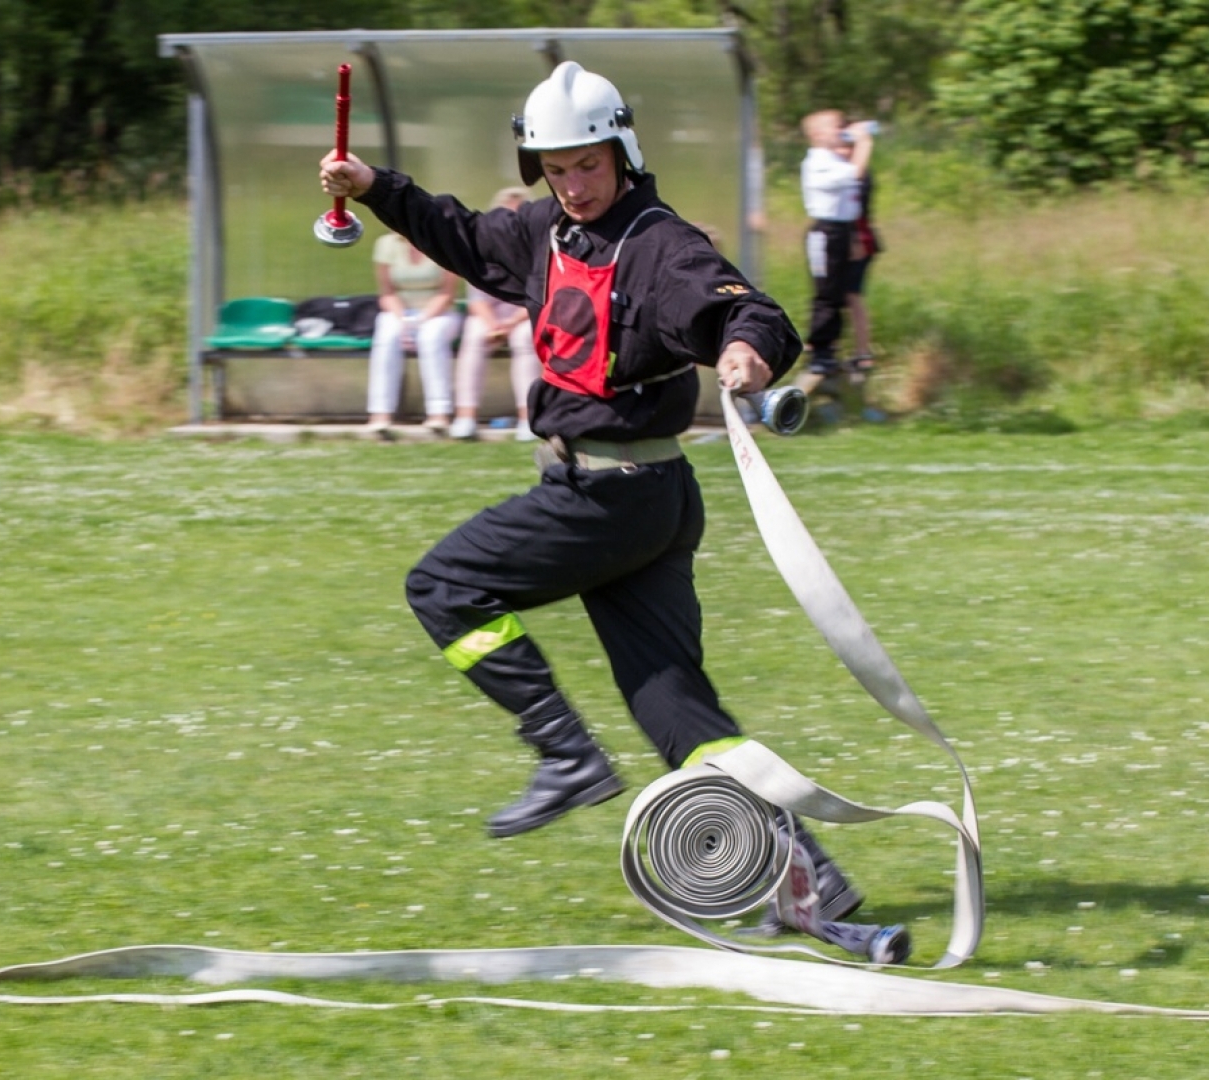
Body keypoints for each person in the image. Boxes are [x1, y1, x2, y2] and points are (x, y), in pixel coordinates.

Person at [319, 61, 865, 926]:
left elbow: (747, 311)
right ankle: (811, 879)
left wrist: (745, 354)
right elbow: (459, 235)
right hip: (648, 500)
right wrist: (376, 185)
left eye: (588, 166)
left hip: (612, 495)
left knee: (444, 588)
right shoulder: (544, 232)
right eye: (556, 168)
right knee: (678, 710)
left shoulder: (658, 243)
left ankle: (565, 754)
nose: (573, 185)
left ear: (621, 152)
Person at [450, 187, 541, 442]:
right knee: (474, 333)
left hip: (526, 314)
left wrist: (510, 324)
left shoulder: (540, 250)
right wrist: (493, 326)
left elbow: (543, 297)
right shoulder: (481, 248)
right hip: (491, 315)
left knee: (525, 338)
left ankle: (528, 418)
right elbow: (476, 300)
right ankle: (465, 416)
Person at [799, 110, 874, 380]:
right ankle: (820, 351)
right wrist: (864, 143)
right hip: (826, 232)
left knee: (839, 293)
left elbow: (852, 199)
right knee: (827, 294)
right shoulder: (818, 161)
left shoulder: (832, 158)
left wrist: (854, 236)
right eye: (836, 126)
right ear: (818, 134)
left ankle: (829, 348)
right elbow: (854, 175)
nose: (842, 129)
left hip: (842, 230)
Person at [365, 232, 461, 436]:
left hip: (439, 312)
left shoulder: (443, 240)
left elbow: (447, 293)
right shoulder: (386, 244)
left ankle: (439, 412)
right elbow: (387, 292)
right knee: (386, 334)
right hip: (399, 310)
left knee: (430, 337)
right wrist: (404, 320)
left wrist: (421, 320)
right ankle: (380, 414)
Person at [834, 134, 880, 370]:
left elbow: (855, 212)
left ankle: (862, 350)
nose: (840, 151)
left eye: (845, 147)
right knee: (842, 297)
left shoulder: (857, 175)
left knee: (852, 297)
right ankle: (851, 349)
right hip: (855, 240)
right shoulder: (851, 172)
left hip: (859, 242)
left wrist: (854, 240)